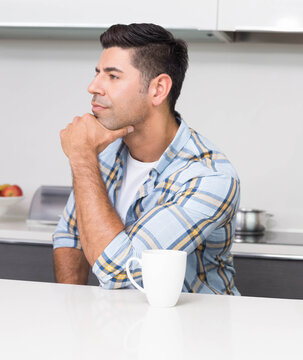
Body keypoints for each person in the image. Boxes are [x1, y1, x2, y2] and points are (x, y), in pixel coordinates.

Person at [53, 23, 240, 295]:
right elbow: (70, 236)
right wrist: (73, 310)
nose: (93, 87)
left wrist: (82, 157)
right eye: (97, 74)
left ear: (158, 89)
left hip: (196, 332)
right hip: (123, 328)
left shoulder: (209, 177)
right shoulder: (104, 153)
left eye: (113, 76)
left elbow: (119, 271)